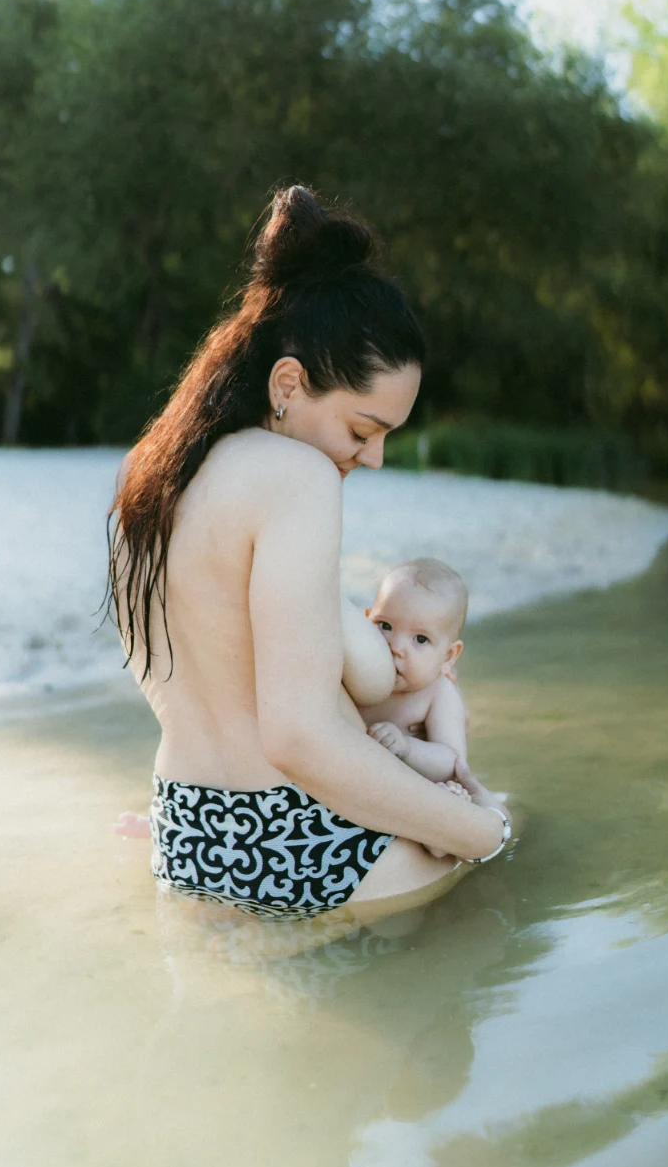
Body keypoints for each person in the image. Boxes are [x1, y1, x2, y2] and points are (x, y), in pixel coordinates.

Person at [108, 184, 512, 922]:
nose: (376, 457)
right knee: (506, 889)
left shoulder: (152, 475)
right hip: (302, 845)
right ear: (289, 383)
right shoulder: (294, 477)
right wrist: (481, 831)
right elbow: (296, 736)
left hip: (188, 836)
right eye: (363, 430)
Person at [358, 558, 471, 788]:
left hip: (407, 792)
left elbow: (454, 763)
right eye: (385, 626)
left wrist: (407, 747)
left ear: (448, 657)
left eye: (420, 639)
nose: (395, 647)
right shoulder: (353, 668)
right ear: (366, 620)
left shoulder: (438, 693)